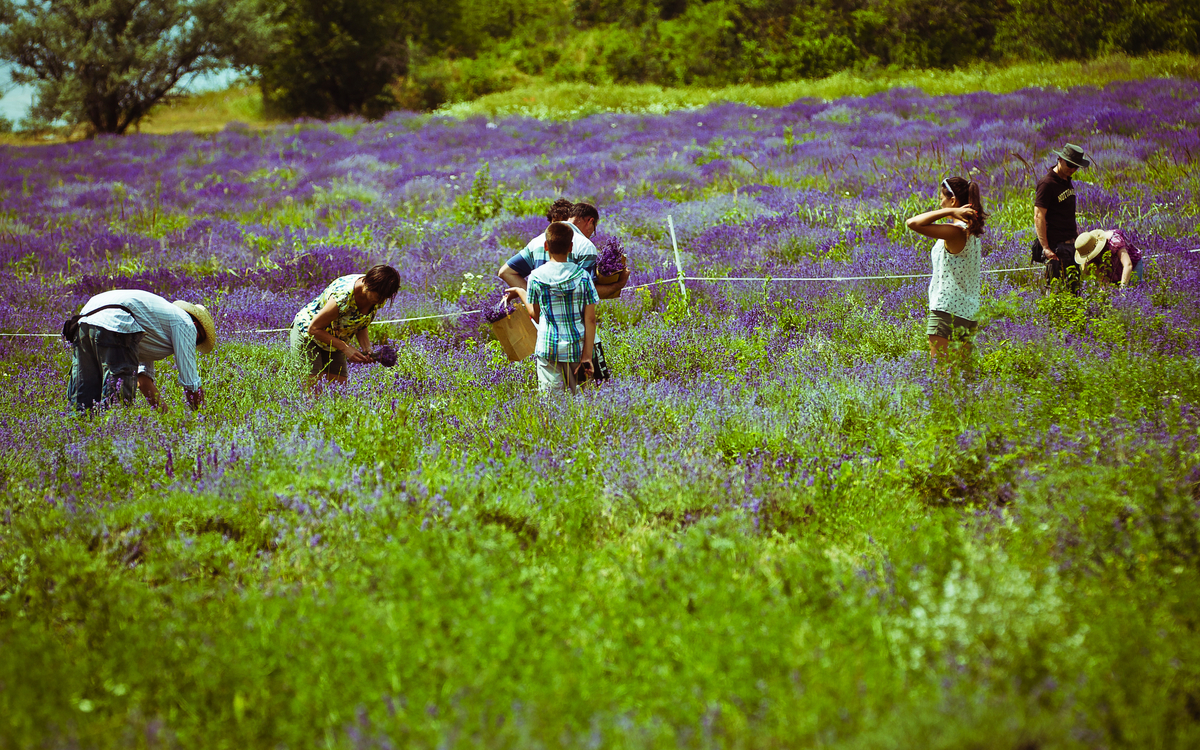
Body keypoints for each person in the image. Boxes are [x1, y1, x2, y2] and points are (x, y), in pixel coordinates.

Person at [67, 290, 216, 412]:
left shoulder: (153, 321)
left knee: (83, 400)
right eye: (198, 338)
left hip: (86, 318)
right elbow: (190, 382)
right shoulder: (186, 323)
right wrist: (201, 417)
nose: (194, 343)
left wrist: (168, 418)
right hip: (117, 320)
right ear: (195, 324)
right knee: (117, 403)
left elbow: (143, 380)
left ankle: (80, 437)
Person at [503, 222, 598, 393]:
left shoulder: (536, 277)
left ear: (546, 246)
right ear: (571, 247)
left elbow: (535, 314)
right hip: (577, 348)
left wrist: (519, 291)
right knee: (582, 405)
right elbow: (590, 320)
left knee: (550, 405)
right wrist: (587, 356)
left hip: (548, 348)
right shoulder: (583, 277)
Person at [906, 176, 987, 372]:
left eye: (942, 198)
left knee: (942, 378)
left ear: (953, 200)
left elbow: (912, 223)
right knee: (963, 380)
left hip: (946, 312)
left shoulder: (956, 231)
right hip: (968, 313)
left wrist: (949, 212)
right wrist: (952, 211)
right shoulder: (971, 232)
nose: (939, 202)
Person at [290, 265, 401, 393]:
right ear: (368, 284)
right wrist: (345, 348)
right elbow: (313, 329)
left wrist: (367, 349)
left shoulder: (377, 296)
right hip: (308, 335)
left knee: (339, 393)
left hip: (335, 339)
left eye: (385, 297)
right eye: (380, 295)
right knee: (313, 393)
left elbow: (360, 321)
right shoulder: (343, 297)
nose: (381, 300)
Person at [1033, 143, 1090, 292]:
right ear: (1060, 159)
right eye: (1070, 165)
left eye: (1076, 167)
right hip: (1056, 247)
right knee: (1056, 292)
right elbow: (1039, 216)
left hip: (1072, 246)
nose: (1073, 169)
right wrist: (1045, 248)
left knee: (1074, 291)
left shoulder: (1066, 181)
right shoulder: (1047, 183)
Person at [1075, 229, 1143, 287]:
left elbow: (1128, 265)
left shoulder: (1114, 242)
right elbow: (1102, 279)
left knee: (1133, 288)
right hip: (1111, 270)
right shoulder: (1089, 255)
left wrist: (1123, 289)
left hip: (1133, 265)